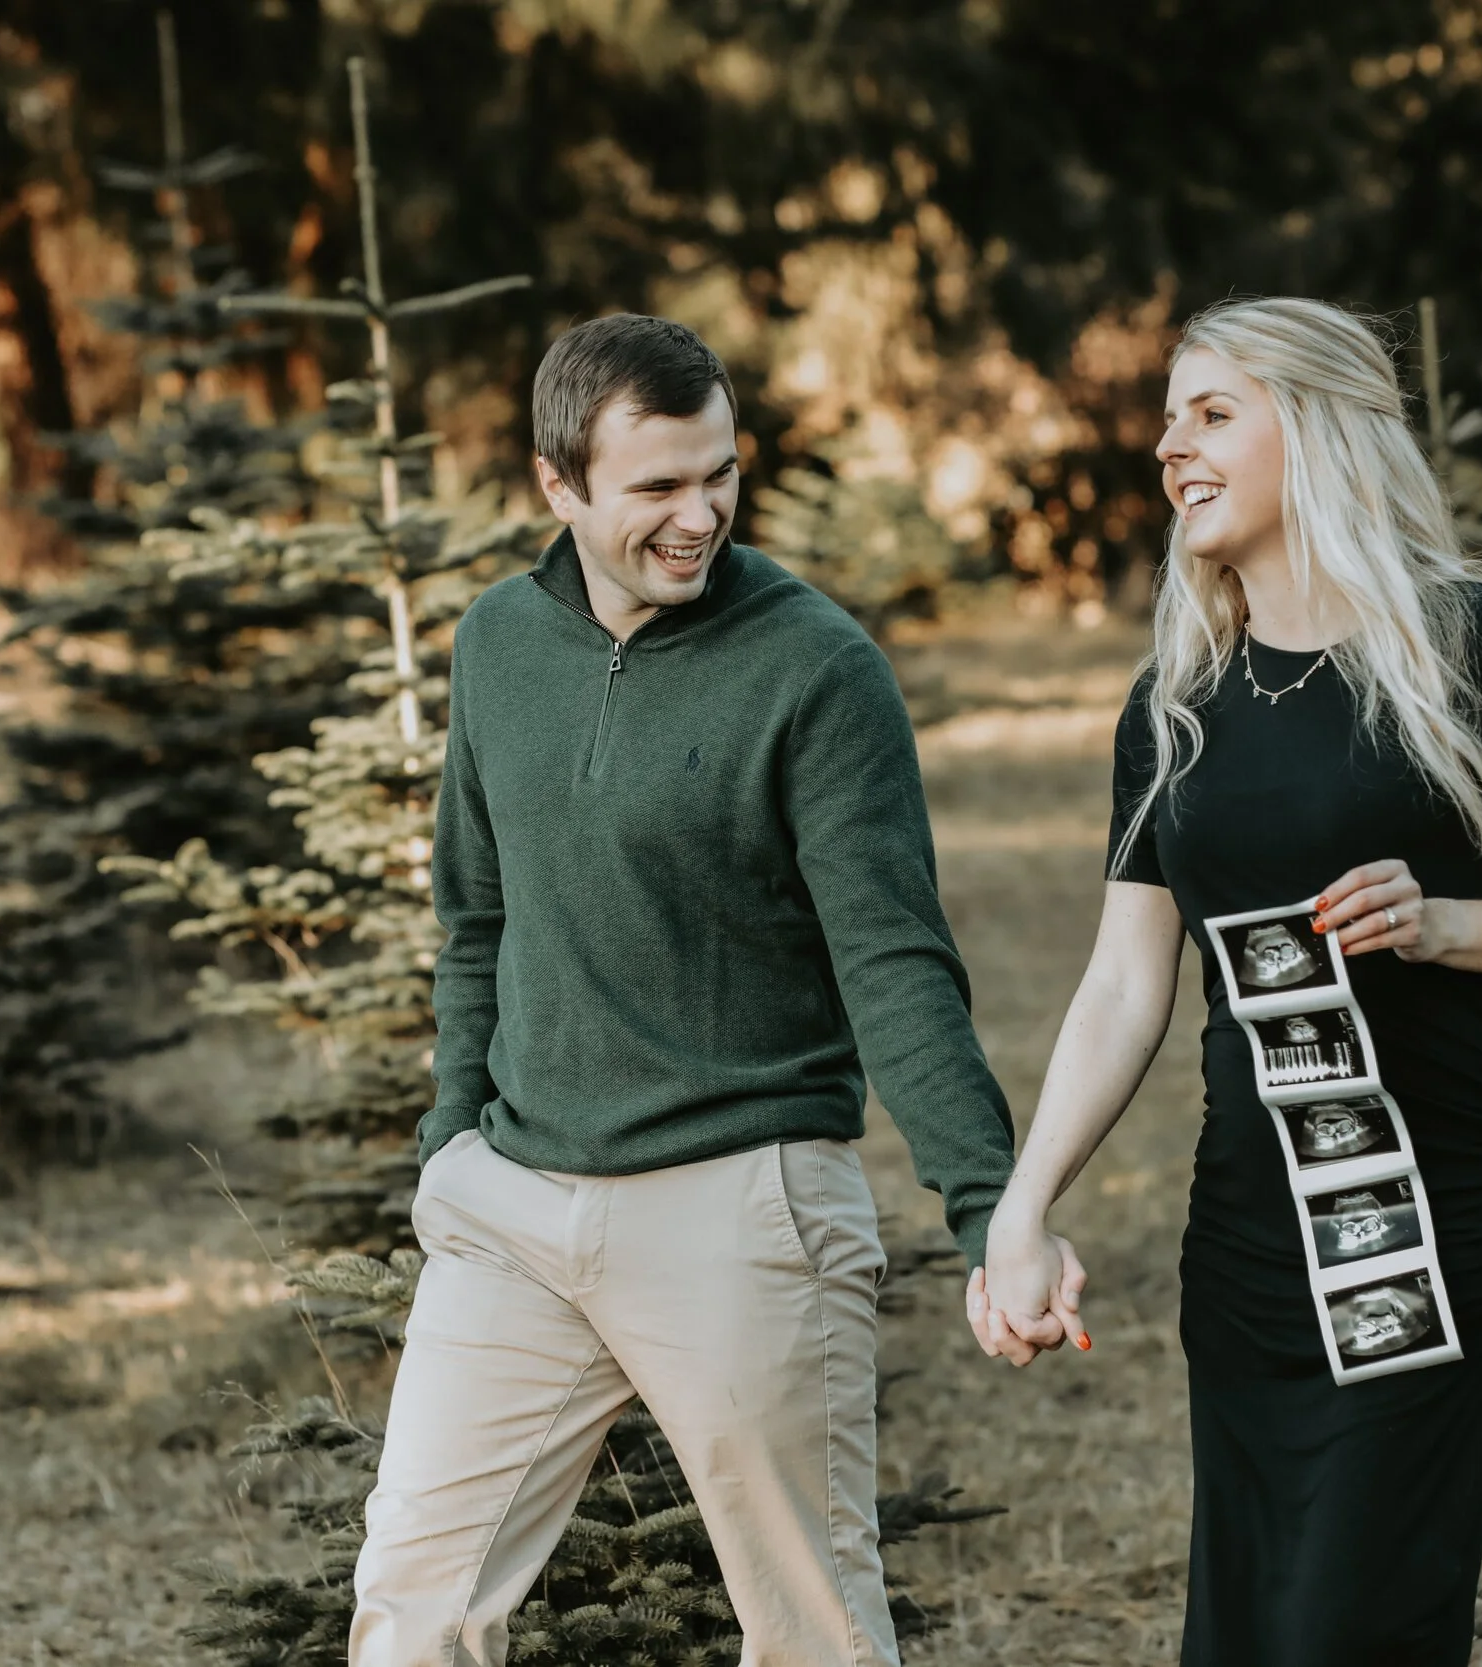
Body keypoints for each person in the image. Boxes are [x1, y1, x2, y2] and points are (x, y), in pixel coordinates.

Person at [969, 296, 1482, 1666]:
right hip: (1255, 1242)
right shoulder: (1174, 702)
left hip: (1444, 1221)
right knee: (1250, 1631)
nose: (1173, 447)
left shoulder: (1472, 641)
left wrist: (1447, 923)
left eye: (1213, 412)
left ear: (1320, 429)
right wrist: (1021, 1208)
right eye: (1170, 418)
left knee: (1354, 1624)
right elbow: (1120, 987)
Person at [348, 313, 1016, 1667]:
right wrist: (451, 1140)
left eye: (719, 474)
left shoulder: (814, 667)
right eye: (656, 486)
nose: (699, 515)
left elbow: (892, 959)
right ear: (558, 485)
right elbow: (474, 914)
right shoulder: (496, 646)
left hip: (739, 1204)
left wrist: (993, 1204)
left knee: (813, 1634)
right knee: (413, 1609)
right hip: (517, 1204)